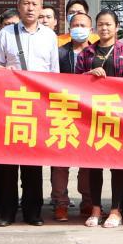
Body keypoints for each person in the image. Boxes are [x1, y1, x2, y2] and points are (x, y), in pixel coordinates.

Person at [0, 0, 59, 226]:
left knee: (33, 161)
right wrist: (4, 71)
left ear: (41, 8)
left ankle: (33, 211)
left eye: (34, 4)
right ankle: (7, 211)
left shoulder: (49, 36)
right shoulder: (6, 33)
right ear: (18, 7)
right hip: (11, 104)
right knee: (7, 161)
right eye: (26, 3)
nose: (30, 8)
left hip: (38, 105)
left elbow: (54, 72)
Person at [76, 9, 123, 228]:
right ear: (95, 28)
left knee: (118, 165)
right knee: (94, 164)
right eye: (101, 25)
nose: (104, 28)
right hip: (92, 116)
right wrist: (88, 75)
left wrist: (112, 82)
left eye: (109, 24)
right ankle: (95, 208)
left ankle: (115, 210)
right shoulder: (86, 53)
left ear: (116, 27)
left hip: (118, 115)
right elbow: (73, 82)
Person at [50, 12, 94, 221]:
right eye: (75, 25)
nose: (79, 28)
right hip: (63, 111)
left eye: (83, 25)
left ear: (91, 30)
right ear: (69, 29)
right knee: (60, 162)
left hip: (89, 114)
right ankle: (60, 203)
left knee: (88, 162)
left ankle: (88, 202)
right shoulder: (59, 53)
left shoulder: (97, 53)